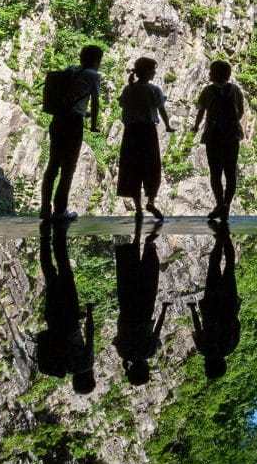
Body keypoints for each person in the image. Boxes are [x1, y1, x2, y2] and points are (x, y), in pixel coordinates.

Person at [38, 44, 105, 220]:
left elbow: (72, 97)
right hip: (73, 124)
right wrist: (93, 124)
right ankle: (60, 211)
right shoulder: (93, 75)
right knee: (68, 167)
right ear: (97, 61)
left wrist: (84, 112)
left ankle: (45, 209)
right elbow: (95, 101)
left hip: (58, 119)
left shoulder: (71, 70)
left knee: (53, 164)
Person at [34, 219, 95, 395]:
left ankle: (59, 233)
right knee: (51, 277)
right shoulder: (65, 367)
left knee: (65, 272)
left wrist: (89, 312)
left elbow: (89, 335)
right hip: (52, 320)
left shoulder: (86, 364)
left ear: (91, 378)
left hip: (70, 318)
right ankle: (44, 237)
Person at [190, 59, 247, 222]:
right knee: (230, 171)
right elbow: (241, 110)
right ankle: (226, 205)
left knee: (215, 171)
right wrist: (234, 121)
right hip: (231, 134)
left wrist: (196, 126)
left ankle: (220, 203)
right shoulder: (235, 90)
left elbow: (201, 111)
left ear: (214, 74)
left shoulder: (207, 91)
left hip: (213, 135)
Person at [116, 55, 170, 220]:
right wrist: (167, 125)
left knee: (132, 168)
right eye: (153, 69)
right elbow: (161, 109)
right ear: (147, 71)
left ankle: (138, 208)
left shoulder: (128, 89)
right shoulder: (153, 90)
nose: (154, 73)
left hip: (131, 132)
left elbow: (123, 105)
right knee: (151, 167)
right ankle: (151, 201)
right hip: (147, 132)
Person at [113, 227, 166, 385]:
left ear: (145, 369)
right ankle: (134, 240)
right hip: (127, 311)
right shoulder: (124, 353)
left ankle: (149, 246)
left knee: (149, 278)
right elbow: (119, 333)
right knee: (128, 277)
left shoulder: (148, 352)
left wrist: (164, 309)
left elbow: (157, 329)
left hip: (144, 312)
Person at [195, 224, 241, 380]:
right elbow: (197, 327)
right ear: (208, 365)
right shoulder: (204, 349)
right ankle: (219, 241)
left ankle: (225, 239)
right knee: (213, 268)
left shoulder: (231, 346)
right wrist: (193, 310)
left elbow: (237, 324)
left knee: (229, 269)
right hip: (211, 307)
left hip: (228, 306)